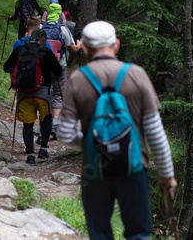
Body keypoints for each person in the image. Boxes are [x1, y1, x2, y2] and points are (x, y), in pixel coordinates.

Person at [57, 21, 177, 240]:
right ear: (117, 45)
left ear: (84, 48)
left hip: (94, 170)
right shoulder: (137, 75)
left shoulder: (77, 80)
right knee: (139, 233)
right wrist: (167, 175)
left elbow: (64, 134)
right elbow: (155, 133)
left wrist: (95, 144)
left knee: (100, 234)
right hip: (134, 167)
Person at [4, 29, 62, 164]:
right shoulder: (45, 51)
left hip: (24, 93)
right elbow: (58, 71)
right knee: (46, 118)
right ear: (42, 39)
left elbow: (6, 67)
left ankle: (30, 154)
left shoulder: (19, 49)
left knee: (28, 123)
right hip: (43, 91)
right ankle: (43, 149)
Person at [41, 0, 82, 138]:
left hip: (42, 65)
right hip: (60, 65)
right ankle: (55, 123)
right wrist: (79, 45)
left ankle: (43, 123)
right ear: (59, 15)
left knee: (45, 91)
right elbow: (73, 49)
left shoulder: (41, 28)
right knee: (58, 93)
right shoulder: (63, 29)